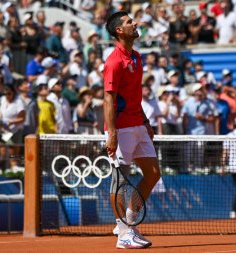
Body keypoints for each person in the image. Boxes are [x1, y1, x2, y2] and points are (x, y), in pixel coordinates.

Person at [104, 11, 160, 249]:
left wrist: (146, 121)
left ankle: (127, 223)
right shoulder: (114, 61)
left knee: (154, 173)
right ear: (119, 30)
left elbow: (134, 96)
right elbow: (109, 99)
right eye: (129, 22)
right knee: (119, 181)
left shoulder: (136, 57)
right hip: (122, 129)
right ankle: (123, 234)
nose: (135, 23)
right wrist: (112, 132)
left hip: (138, 124)